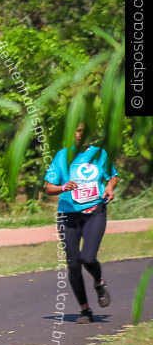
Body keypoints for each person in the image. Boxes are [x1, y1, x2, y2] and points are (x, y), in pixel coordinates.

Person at [44, 122, 119, 324]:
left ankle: (99, 282)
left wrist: (110, 188)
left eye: (83, 131)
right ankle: (85, 310)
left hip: (95, 211)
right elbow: (48, 187)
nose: (79, 134)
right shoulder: (62, 156)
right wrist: (63, 187)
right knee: (74, 263)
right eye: (76, 130)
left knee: (88, 257)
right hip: (68, 214)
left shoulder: (99, 154)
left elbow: (112, 176)